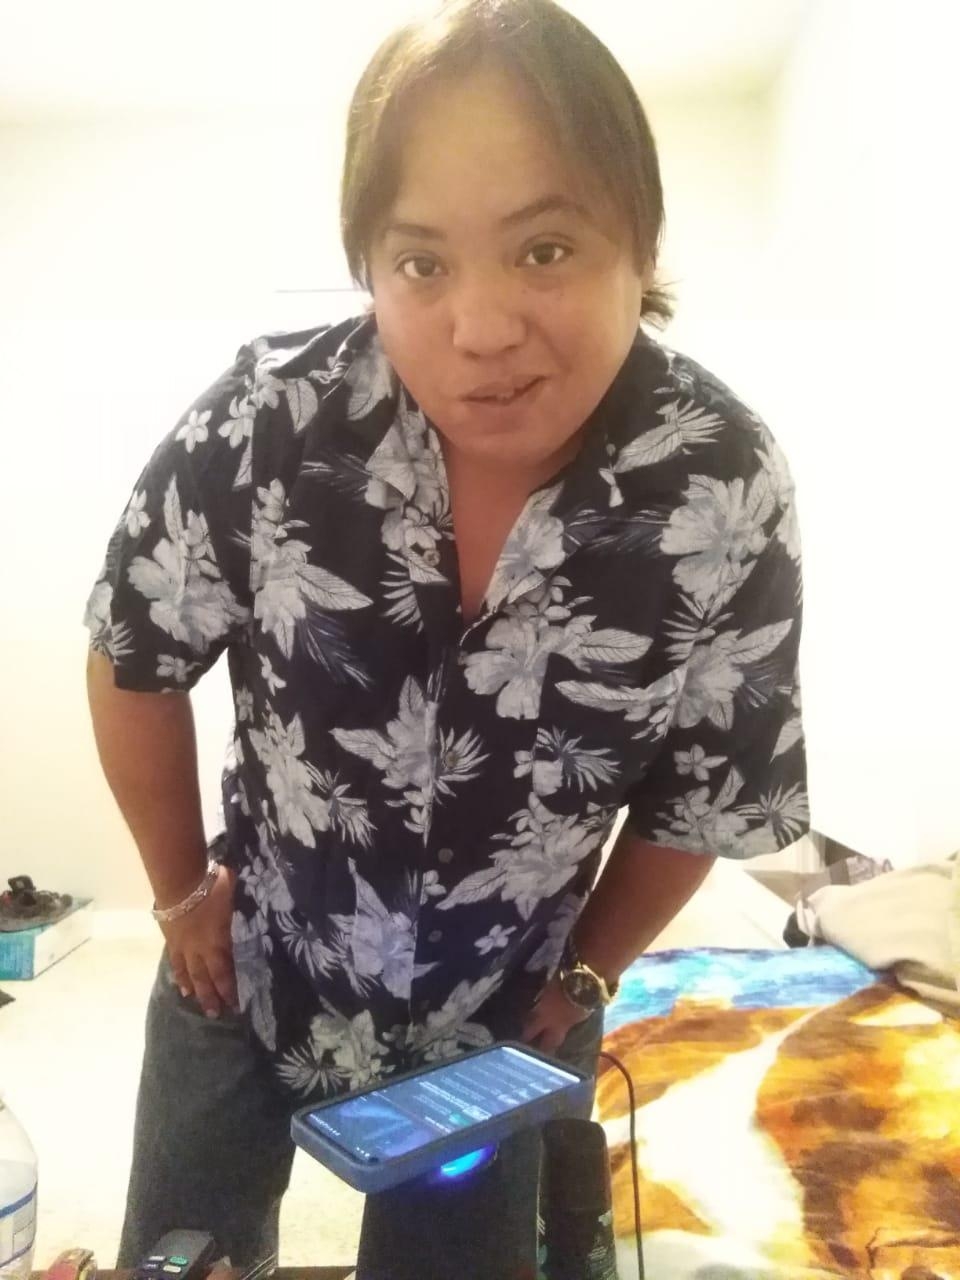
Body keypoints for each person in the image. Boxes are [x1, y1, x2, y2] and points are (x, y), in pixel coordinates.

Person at [84, 0, 808, 1269]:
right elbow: (131, 654)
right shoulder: (264, 425)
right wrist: (179, 890)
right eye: (422, 263)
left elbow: (705, 792)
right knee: (185, 1255)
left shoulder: (722, 486)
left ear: (639, 239)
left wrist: (589, 972)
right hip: (250, 967)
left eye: (543, 249)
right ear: (370, 264)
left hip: (508, 1011)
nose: (481, 328)